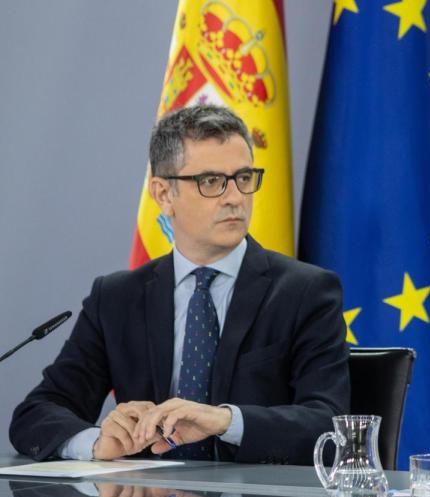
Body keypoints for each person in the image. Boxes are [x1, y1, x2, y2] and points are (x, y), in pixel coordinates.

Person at [10, 104, 350, 465]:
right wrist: (96, 443)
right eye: (211, 181)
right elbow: (37, 413)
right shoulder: (116, 298)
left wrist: (225, 420)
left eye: (244, 177)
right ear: (163, 194)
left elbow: (329, 423)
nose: (235, 197)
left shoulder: (306, 292)